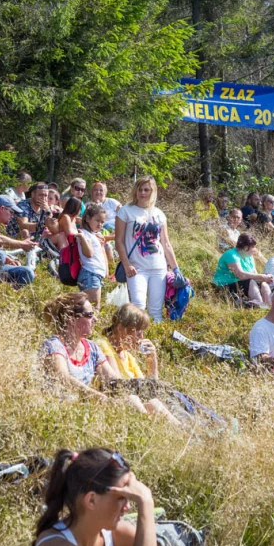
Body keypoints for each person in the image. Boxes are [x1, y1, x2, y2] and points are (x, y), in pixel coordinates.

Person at [31, 448, 156, 546]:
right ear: (92, 500)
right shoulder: (55, 545)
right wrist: (146, 503)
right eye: (121, 498)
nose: (127, 507)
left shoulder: (116, 534)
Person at [95, 304, 182, 426]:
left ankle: (185, 434)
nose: (141, 337)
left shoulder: (127, 356)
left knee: (155, 403)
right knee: (138, 400)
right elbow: (116, 385)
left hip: (130, 404)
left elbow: (151, 388)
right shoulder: (103, 345)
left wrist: (152, 359)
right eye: (138, 331)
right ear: (121, 328)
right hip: (111, 403)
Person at [39, 293, 130, 405]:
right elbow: (62, 377)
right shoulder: (54, 344)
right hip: (61, 409)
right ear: (72, 319)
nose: (95, 319)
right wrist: (96, 396)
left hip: (84, 407)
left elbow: (113, 381)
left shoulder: (92, 348)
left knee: (144, 402)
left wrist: (141, 386)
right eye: (90, 315)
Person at [114, 176, 178, 323]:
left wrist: (176, 270)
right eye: (140, 189)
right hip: (136, 268)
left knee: (156, 311)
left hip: (158, 267)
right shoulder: (126, 211)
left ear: (153, 192)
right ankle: (136, 341)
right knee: (138, 307)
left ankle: (154, 342)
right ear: (135, 191)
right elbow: (119, 241)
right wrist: (126, 264)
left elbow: (166, 243)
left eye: (146, 190)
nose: (142, 193)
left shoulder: (159, 214)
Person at [213, 233, 273, 307]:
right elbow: (241, 275)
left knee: (263, 284)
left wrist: (265, 278)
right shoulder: (231, 255)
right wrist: (262, 276)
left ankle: (269, 308)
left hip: (242, 284)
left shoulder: (249, 257)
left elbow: (255, 274)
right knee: (251, 282)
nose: (255, 249)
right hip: (225, 285)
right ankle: (260, 307)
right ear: (245, 247)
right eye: (253, 247)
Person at [77, 203, 115, 309]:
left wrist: (106, 272)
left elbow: (101, 256)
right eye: (97, 220)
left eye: (102, 222)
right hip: (90, 273)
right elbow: (88, 253)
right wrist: (82, 238)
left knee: (92, 308)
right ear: (88, 218)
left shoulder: (93, 234)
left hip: (95, 274)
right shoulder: (84, 233)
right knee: (93, 308)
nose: (100, 224)